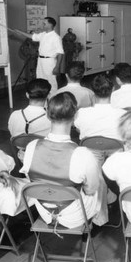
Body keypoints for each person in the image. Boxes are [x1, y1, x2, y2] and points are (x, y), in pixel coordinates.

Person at [20, 92, 108, 229]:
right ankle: (99, 221)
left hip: (44, 212)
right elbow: (91, 190)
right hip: (76, 216)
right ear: (76, 116)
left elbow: (31, 179)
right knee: (98, 179)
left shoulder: (31, 147)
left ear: (48, 115)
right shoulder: (82, 154)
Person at [74, 74, 126, 164]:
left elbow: (78, 129)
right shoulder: (123, 114)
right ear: (113, 89)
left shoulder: (81, 112)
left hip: (90, 149)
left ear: (92, 91)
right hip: (116, 150)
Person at [11, 17, 64, 95]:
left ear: (50, 25)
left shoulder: (56, 37)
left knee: (51, 82)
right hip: (41, 61)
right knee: (40, 80)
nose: (42, 25)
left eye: (44, 23)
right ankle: (43, 101)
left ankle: (53, 100)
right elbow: (32, 36)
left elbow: (60, 53)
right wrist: (20, 32)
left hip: (49, 62)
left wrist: (57, 67)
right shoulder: (43, 34)